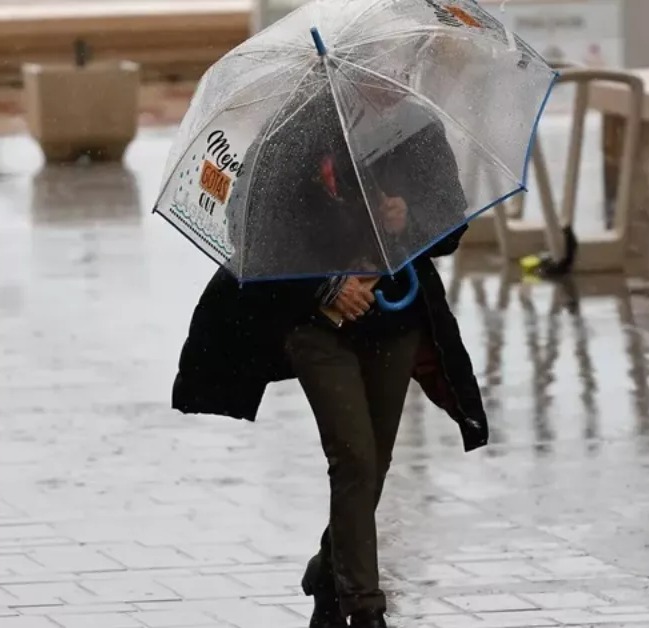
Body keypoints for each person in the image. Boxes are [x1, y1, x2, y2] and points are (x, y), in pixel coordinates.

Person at [171, 68, 488, 628]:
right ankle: (364, 608)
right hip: (313, 322)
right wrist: (326, 288)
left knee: (374, 463)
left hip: (393, 318)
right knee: (354, 456)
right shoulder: (296, 129)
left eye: (403, 67)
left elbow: (450, 223)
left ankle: (329, 572)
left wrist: (409, 218)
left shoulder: (417, 128)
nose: (397, 77)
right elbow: (251, 227)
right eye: (385, 68)